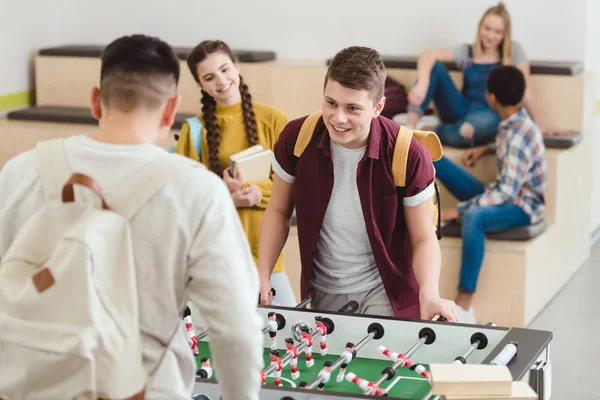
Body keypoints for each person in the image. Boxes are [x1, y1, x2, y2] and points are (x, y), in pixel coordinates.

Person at [0, 35, 264, 399]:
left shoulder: (18, 172)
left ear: (95, 100)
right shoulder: (197, 190)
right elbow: (235, 330)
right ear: (172, 110)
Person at [257, 45, 457, 322]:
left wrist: (430, 293)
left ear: (378, 107)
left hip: (386, 296)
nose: (338, 118)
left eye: (352, 108)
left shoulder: (408, 154)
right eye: (331, 103)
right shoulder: (296, 138)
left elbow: (423, 237)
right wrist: (263, 274)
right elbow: (278, 211)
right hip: (321, 293)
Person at [175, 39, 296, 307]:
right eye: (209, 77)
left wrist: (255, 193)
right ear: (201, 85)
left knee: (287, 334)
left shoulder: (274, 118)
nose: (221, 80)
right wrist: (229, 198)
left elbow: (292, 185)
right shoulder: (194, 130)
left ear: (237, 67)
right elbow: (185, 197)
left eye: (225, 69)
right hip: (218, 255)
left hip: (268, 253)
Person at [437, 65, 547, 324]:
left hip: (523, 205)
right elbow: (507, 147)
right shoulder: (511, 121)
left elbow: (506, 194)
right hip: (503, 191)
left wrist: (458, 211)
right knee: (437, 159)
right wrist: (485, 149)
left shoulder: (519, 134)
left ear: (491, 98)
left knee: (474, 218)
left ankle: (464, 307)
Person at [404, 2, 565, 148]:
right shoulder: (467, 51)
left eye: (498, 32)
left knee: (465, 132)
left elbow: (524, 91)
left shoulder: (513, 52)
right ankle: (408, 130)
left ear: (505, 34)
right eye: (487, 29)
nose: (491, 36)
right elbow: (428, 55)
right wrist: (422, 83)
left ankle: (432, 131)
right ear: (480, 27)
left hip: (490, 114)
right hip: (461, 108)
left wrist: (540, 126)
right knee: (434, 67)